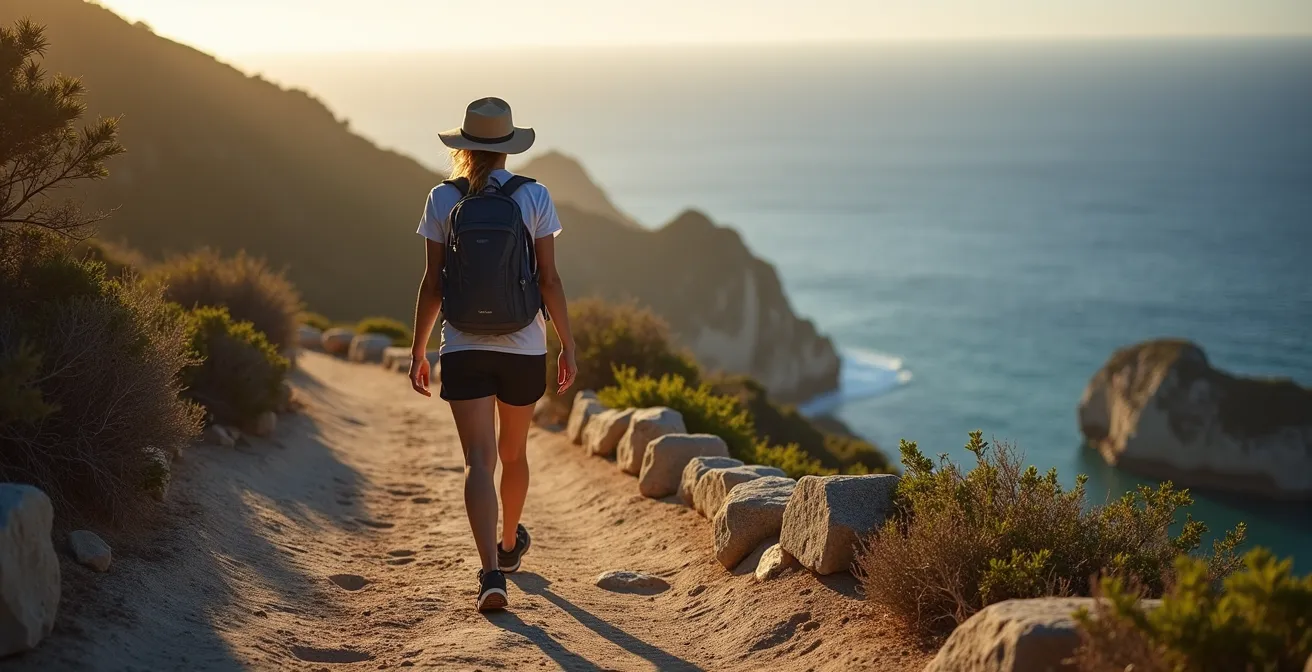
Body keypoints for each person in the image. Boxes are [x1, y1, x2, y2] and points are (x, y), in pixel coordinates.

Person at [408, 97, 577, 612]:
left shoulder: (441, 199)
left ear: (463, 146)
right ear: (507, 148)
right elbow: (548, 279)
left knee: (477, 460)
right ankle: (508, 548)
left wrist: (418, 350)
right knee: (513, 454)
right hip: (524, 346)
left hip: (461, 344)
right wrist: (568, 345)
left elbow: (432, 284)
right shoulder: (535, 196)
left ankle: (488, 577)